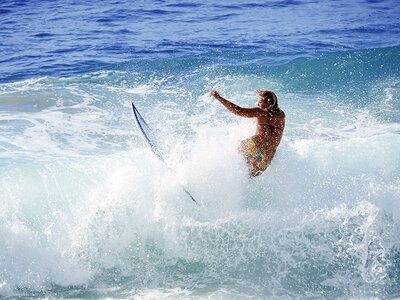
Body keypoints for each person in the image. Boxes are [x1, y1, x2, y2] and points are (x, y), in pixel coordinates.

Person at [209, 89, 285, 177]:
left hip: (251, 147)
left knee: (232, 151)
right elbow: (274, 106)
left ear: (268, 103)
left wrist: (218, 97)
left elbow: (238, 110)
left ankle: (215, 175)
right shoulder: (281, 115)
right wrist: (267, 96)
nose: (258, 104)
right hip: (264, 161)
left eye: (260, 102)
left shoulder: (260, 112)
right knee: (248, 177)